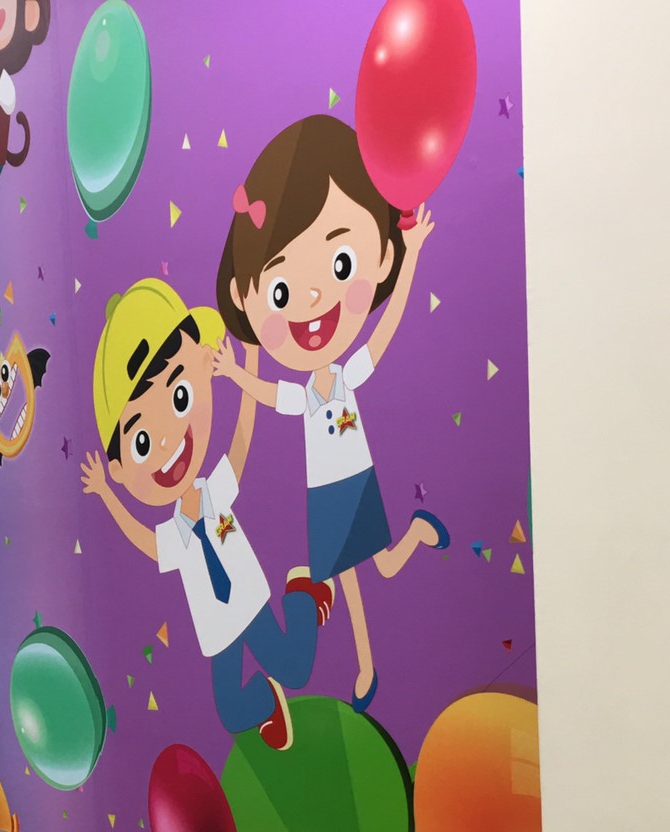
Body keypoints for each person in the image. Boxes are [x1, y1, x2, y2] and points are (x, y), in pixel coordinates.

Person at [214, 115, 450, 714]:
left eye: (341, 265)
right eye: (282, 292)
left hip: (354, 483)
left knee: (381, 569)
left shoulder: (345, 378)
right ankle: (366, 664)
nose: (313, 299)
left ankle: (416, 536)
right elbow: (270, 395)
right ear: (247, 297)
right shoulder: (306, 394)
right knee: (348, 577)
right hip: (324, 494)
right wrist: (236, 374)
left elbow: (385, 330)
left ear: (379, 257)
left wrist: (412, 256)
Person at [81, 278, 331, 750]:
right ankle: (267, 703)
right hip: (218, 630)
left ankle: (301, 595)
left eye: (180, 398)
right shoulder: (174, 535)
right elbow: (143, 540)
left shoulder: (216, 492)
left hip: (250, 602)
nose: (165, 443)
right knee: (231, 709)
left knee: (295, 668)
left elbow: (241, 439)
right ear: (121, 468)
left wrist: (247, 364)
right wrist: (107, 495)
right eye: (141, 442)